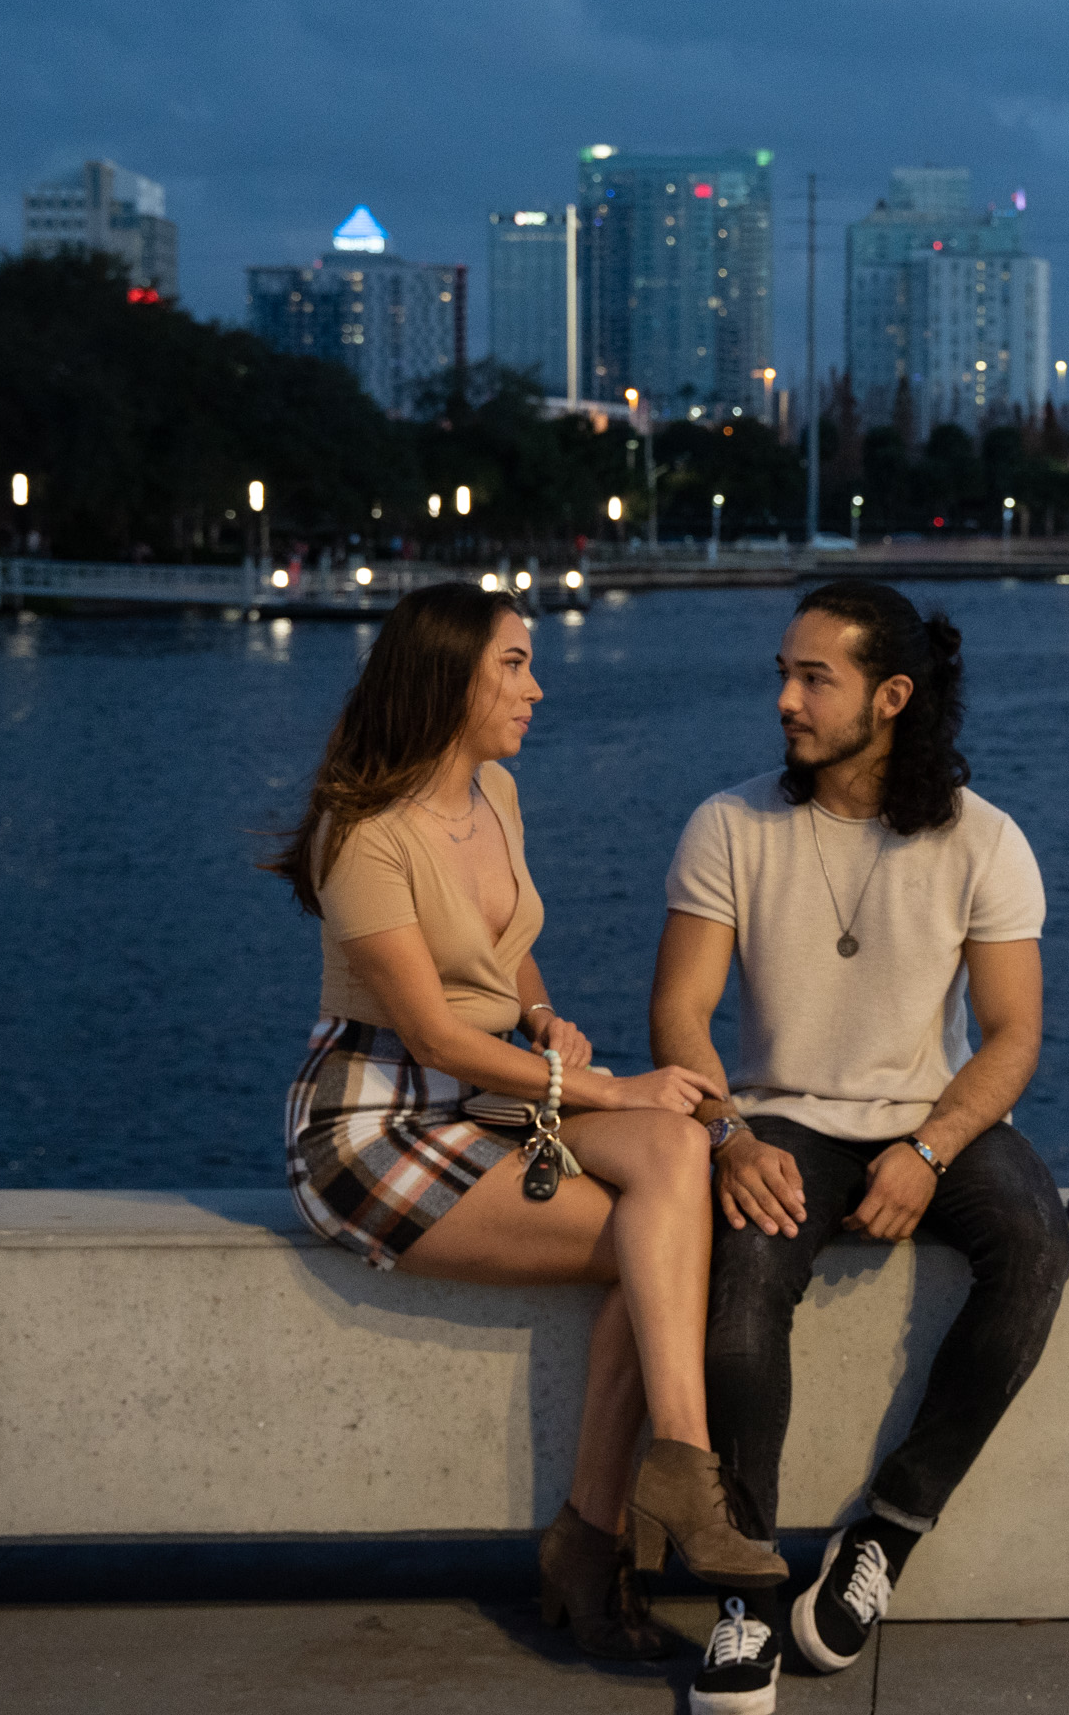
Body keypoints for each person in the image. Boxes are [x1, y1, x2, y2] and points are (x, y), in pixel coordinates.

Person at [269, 582, 786, 1661]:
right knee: (658, 1242)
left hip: (503, 1088)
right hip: (380, 1117)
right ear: (448, 678)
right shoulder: (360, 834)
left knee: (677, 1150)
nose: (536, 688)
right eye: (513, 664)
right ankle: (598, 1538)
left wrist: (543, 1012)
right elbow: (435, 1032)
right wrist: (610, 1086)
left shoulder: (495, 793)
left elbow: (502, 958)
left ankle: (676, 1466)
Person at [650, 580, 1069, 1715]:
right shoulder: (730, 824)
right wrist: (728, 1135)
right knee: (740, 1292)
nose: (784, 698)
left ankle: (888, 1525)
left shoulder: (986, 840)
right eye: (782, 674)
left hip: (929, 1118)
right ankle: (744, 1598)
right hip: (779, 1117)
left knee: (1035, 1240)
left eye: (813, 677)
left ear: (891, 696)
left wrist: (930, 1149)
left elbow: (1015, 1035)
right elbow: (680, 1018)